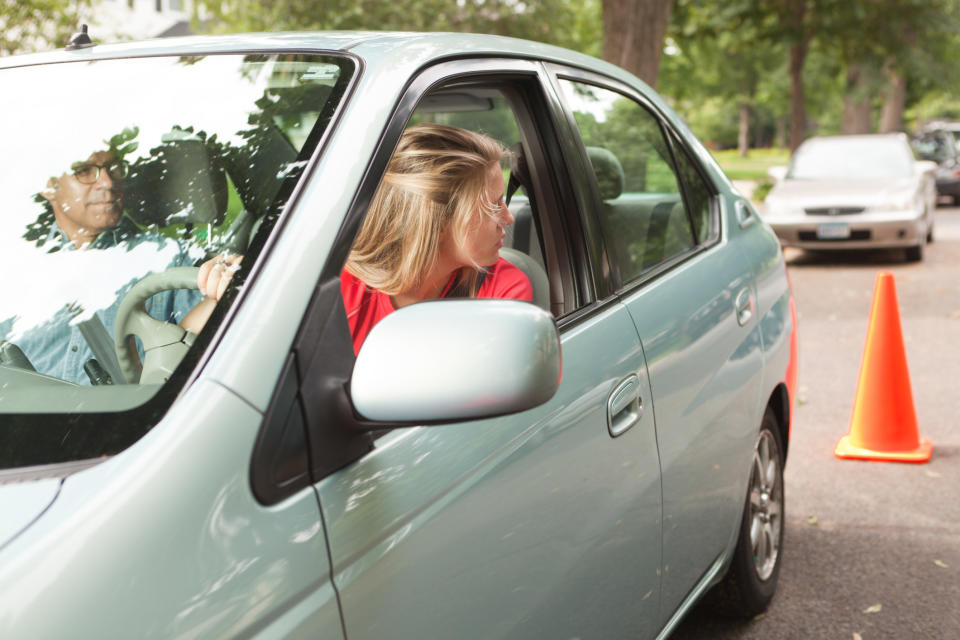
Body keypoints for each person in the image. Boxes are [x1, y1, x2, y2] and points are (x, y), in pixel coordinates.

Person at [7, 148, 204, 384]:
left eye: (114, 169)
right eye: (84, 171)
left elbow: (199, 352)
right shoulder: (15, 268)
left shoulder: (167, 258)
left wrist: (220, 294)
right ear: (49, 187)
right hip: (28, 419)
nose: (108, 182)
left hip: (128, 418)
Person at [340, 123, 533, 353]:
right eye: (493, 205)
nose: (508, 217)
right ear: (437, 222)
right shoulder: (341, 290)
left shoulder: (503, 290)